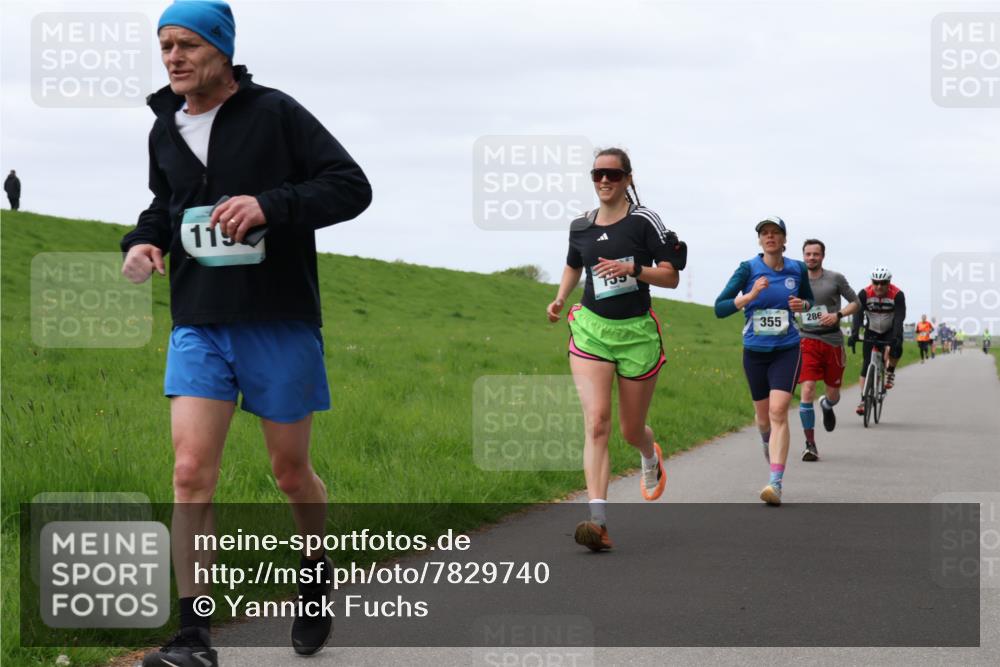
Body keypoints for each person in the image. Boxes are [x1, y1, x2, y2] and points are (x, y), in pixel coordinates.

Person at [120, 2, 371, 665]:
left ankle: (314, 572)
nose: (172, 56)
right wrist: (145, 242)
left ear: (222, 49)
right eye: (164, 45)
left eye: (187, 44)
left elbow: (351, 187)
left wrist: (271, 204)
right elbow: (163, 205)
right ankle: (194, 636)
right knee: (189, 472)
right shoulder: (164, 129)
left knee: (290, 474)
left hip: (278, 319)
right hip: (199, 320)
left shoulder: (275, 113)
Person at [547, 147, 686, 551]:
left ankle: (649, 452)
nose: (604, 180)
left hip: (636, 334)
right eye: (597, 174)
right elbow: (575, 263)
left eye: (612, 174)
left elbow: (672, 277)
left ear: (627, 178)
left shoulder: (644, 221)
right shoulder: (580, 226)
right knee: (596, 423)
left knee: (629, 430)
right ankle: (598, 522)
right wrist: (559, 298)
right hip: (591, 330)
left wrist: (633, 269)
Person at [715, 216, 814, 505]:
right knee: (763, 419)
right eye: (765, 233)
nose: (770, 237)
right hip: (755, 352)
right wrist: (750, 295)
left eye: (776, 233)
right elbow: (719, 308)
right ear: (760, 240)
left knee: (778, 410)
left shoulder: (797, 269)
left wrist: (803, 305)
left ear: (785, 240)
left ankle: (775, 483)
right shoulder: (747, 269)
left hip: (787, 348)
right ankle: (766, 442)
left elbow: (809, 304)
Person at [796, 239, 859, 461]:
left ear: (823, 256)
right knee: (807, 389)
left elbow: (856, 302)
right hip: (807, 340)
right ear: (803, 256)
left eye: (816, 254)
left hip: (832, 341)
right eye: (808, 254)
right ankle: (810, 444)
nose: (811, 258)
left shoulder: (835, 279)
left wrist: (838, 315)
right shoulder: (796, 279)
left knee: (833, 394)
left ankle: (826, 404)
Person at [849, 267, 906, 415]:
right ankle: (863, 400)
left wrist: (896, 337)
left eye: (883, 283)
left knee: (896, 349)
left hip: (890, 329)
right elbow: (857, 314)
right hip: (872, 329)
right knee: (866, 364)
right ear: (872, 282)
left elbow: (899, 317)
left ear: (889, 282)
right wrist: (854, 334)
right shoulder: (864, 293)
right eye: (876, 282)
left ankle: (890, 372)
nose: (879, 286)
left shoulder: (897, 295)